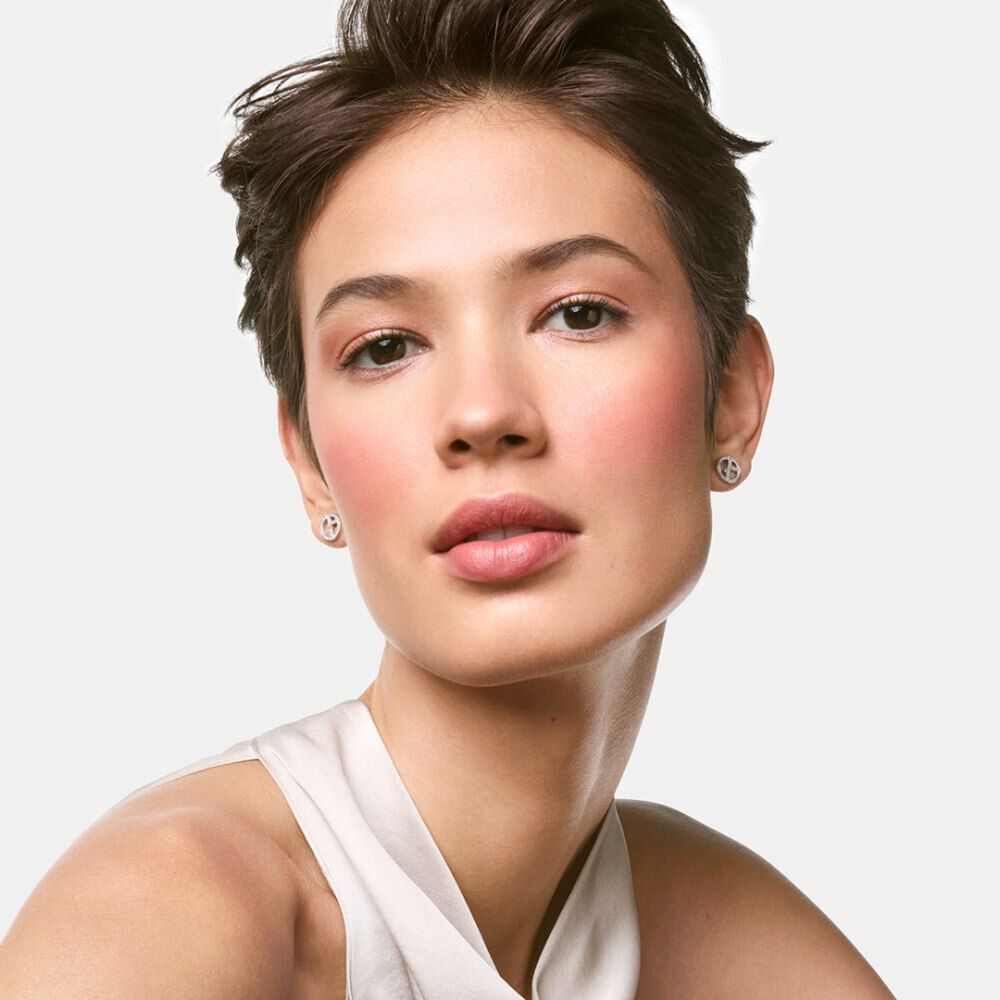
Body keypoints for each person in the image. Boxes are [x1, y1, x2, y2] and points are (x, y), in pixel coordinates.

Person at [0, 0, 897, 997]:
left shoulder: (724, 940)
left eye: (577, 313)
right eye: (383, 346)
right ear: (309, 464)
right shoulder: (168, 918)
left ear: (731, 398)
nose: (481, 413)